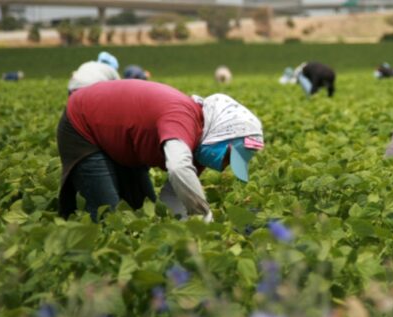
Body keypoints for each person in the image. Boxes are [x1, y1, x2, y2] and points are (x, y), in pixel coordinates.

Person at [57, 79, 265, 221]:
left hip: (121, 142)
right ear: (222, 134)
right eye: (229, 157)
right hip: (83, 124)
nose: (224, 166)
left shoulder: (198, 150)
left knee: (143, 208)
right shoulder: (183, 117)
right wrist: (203, 215)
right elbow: (177, 168)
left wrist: (187, 228)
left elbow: (172, 198)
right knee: (107, 213)